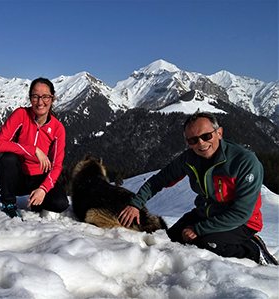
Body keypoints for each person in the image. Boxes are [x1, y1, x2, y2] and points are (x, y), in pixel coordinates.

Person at [118, 111, 278, 265]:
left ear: (219, 133)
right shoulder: (189, 158)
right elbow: (158, 180)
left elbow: (242, 213)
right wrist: (135, 204)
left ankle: (253, 250)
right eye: (193, 140)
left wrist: (199, 229)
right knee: (168, 241)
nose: (201, 143)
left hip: (242, 222)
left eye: (206, 136)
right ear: (187, 142)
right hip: (204, 214)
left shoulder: (244, 161)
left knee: (205, 244)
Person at [0, 77, 69, 218]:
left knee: (60, 203)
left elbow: (57, 165)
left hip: (40, 178)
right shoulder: (21, 115)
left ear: (52, 99)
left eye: (45, 97)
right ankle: (8, 204)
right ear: (30, 99)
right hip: (18, 176)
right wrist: (33, 150)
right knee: (7, 160)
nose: (40, 102)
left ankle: (37, 201)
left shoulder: (57, 128)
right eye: (35, 97)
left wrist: (43, 188)